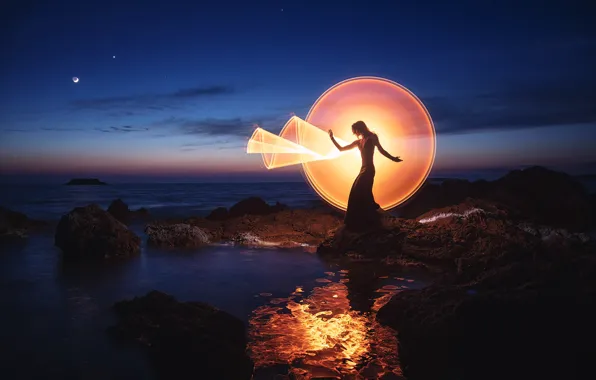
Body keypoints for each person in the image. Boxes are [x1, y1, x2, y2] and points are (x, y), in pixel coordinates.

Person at [329, 121, 402, 230]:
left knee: (362, 192)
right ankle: (359, 222)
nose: (354, 133)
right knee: (357, 193)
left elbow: (381, 150)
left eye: (355, 131)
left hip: (369, 170)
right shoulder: (358, 142)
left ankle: (370, 221)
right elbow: (341, 149)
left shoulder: (372, 137)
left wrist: (393, 158)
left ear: (360, 128)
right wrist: (332, 138)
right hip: (362, 169)